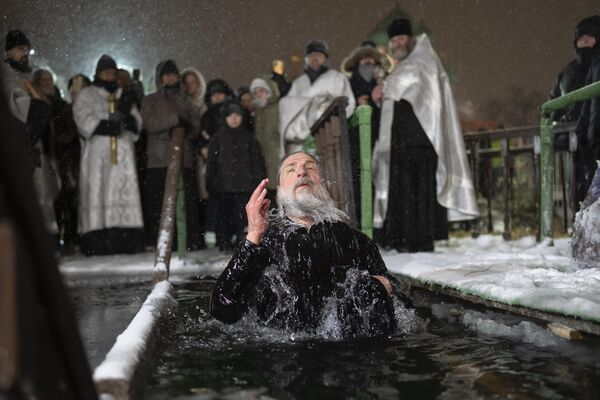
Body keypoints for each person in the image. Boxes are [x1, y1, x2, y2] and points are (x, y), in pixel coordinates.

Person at [210, 151, 412, 337]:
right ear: (279, 191)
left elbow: (401, 302)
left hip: (347, 354)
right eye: (291, 169)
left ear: (322, 183)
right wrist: (253, 233)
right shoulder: (263, 241)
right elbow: (223, 309)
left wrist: (380, 285)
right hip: (284, 355)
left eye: (310, 167)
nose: (301, 172)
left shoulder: (354, 239)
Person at [372, 18, 478, 253]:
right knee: (402, 192)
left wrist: (387, 87)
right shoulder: (399, 68)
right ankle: (401, 238)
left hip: (420, 140)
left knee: (418, 193)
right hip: (399, 142)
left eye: (401, 38)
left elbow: (413, 92)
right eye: (393, 40)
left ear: (410, 39)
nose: (397, 43)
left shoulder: (424, 62)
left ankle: (419, 240)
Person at [73, 54, 144, 256]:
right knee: (98, 192)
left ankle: (126, 240)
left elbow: (137, 123)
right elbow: (82, 120)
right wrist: (106, 124)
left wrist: (126, 122)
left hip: (123, 158)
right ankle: (97, 242)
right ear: (98, 73)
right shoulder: (87, 95)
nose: (110, 76)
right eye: (106, 72)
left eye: (112, 73)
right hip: (98, 158)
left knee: (124, 192)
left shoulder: (124, 96)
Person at [141, 59, 205, 250]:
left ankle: (188, 242)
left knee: (185, 202)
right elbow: (150, 124)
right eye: (166, 74)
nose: (170, 78)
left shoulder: (185, 99)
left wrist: (186, 126)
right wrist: (174, 120)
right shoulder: (150, 100)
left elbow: (195, 128)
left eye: (173, 74)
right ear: (160, 77)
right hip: (159, 159)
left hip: (183, 158)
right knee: (160, 203)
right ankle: (162, 242)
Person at [341, 41, 389, 224]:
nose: (368, 62)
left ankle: (380, 224)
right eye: (364, 59)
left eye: (371, 58)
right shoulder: (349, 83)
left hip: (381, 136)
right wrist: (357, 107)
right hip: (357, 141)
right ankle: (361, 222)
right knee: (360, 180)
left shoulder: (384, 80)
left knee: (380, 179)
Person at [206, 101, 264, 251]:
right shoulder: (217, 138)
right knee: (223, 218)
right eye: (230, 115)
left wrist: (258, 183)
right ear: (225, 118)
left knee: (243, 219)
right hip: (223, 186)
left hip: (245, 186)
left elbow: (256, 162)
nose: (234, 119)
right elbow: (212, 163)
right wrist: (210, 182)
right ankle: (224, 244)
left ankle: (242, 244)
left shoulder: (249, 138)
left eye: (237, 115)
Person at [279, 40, 355, 154]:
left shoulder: (337, 78)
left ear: (325, 58)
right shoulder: (298, 83)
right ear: (306, 59)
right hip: (301, 141)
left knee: (327, 169)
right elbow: (290, 111)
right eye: (311, 55)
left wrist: (332, 121)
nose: (315, 58)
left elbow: (349, 105)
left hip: (328, 135)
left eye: (318, 55)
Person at [1, 30, 52, 165]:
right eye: (20, 49)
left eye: (27, 50)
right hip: (17, 151)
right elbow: (18, 111)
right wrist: (38, 107)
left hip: (33, 149)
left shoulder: (25, 78)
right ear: (8, 52)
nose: (25, 53)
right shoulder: (7, 79)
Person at [566, 16, 600, 204]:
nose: (585, 42)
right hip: (591, 137)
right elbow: (586, 103)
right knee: (592, 192)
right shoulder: (573, 71)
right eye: (581, 38)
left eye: (590, 37)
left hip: (593, 135)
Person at [250, 75, 281, 202]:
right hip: (264, 156)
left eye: (261, 91)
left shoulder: (278, 107)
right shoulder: (257, 112)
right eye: (256, 92)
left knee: (280, 187)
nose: (259, 95)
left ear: (269, 91)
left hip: (277, 154)